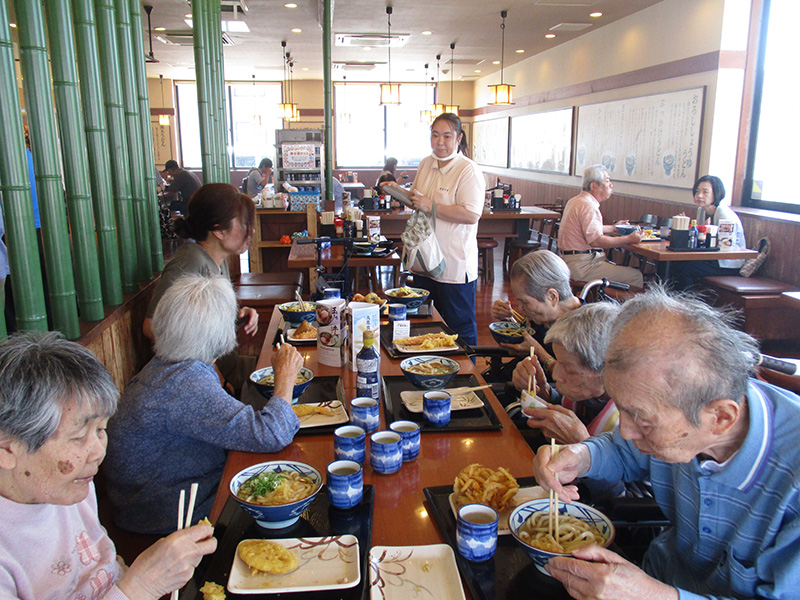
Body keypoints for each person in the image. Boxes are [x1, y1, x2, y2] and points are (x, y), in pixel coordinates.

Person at [533, 287, 800, 600]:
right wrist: (580, 454)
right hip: (655, 573)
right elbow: (620, 449)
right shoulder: (674, 412)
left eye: (642, 420)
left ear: (721, 418)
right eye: (622, 409)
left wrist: (653, 596)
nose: (627, 431)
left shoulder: (791, 477)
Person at [0, 331, 216, 599]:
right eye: (78, 438)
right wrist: (142, 586)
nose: (97, 453)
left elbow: (103, 565)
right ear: (7, 448)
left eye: (101, 429)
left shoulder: (71, 482)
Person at [105, 274, 303, 535]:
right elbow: (273, 434)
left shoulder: (165, 366)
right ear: (217, 334)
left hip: (150, 501)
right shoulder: (185, 383)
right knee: (291, 496)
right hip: (166, 515)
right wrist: (286, 377)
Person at [143, 183, 258, 343]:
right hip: (203, 366)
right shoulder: (189, 263)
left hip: (222, 363)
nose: (251, 230)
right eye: (244, 223)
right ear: (219, 231)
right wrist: (203, 355)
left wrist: (237, 317)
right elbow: (150, 326)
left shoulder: (218, 259)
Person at [405, 113, 484, 346]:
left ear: (458, 138)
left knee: (458, 327)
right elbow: (417, 199)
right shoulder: (426, 163)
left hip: (453, 266)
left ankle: (467, 375)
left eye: (447, 136)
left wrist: (432, 206)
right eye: (435, 135)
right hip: (424, 262)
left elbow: (471, 214)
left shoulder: (467, 170)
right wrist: (397, 191)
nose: (440, 142)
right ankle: (431, 370)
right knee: (424, 323)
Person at [510, 302, 620, 446]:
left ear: (607, 372)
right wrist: (544, 392)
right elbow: (567, 406)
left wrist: (583, 447)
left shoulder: (630, 425)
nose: (555, 375)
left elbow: (624, 469)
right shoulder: (589, 394)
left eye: (569, 369)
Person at [492, 250, 583, 375]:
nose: (520, 307)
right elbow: (528, 342)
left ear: (552, 296)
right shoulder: (542, 316)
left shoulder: (584, 328)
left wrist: (539, 352)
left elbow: (573, 378)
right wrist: (509, 322)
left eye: (525, 302)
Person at [558, 164, 644, 288]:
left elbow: (586, 229)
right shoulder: (588, 205)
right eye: (607, 180)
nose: (611, 185)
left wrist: (614, 228)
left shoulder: (577, 201)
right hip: (583, 267)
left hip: (571, 262)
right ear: (593, 186)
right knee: (635, 276)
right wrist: (628, 239)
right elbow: (596, 240)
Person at [671, 175, 746, 290]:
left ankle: (688, 303)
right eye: (697, 192)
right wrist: (685, 227)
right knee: (674, 263)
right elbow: (700, 238)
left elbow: (727, 247)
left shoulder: (725, 215)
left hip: (728, 262)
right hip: (712, 257)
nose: (699, 195)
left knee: (685, 268)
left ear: (716, 194)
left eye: (705, 192)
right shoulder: (701, 210)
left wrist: (707, 233)